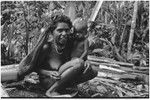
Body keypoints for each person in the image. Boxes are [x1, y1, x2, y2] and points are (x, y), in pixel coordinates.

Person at [17, 14, 98, 97]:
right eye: (60, 30)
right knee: (78, 63)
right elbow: (35, 67)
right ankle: (51, 91)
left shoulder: (69, 42)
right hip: (49, 80)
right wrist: (48, 73)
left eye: (67, 30)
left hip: (63, 76)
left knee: (93, 71)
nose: (64, 33)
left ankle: (64, 87)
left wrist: (86, 61)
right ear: (52, 32)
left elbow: (79, 54)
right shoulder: (47, 47)